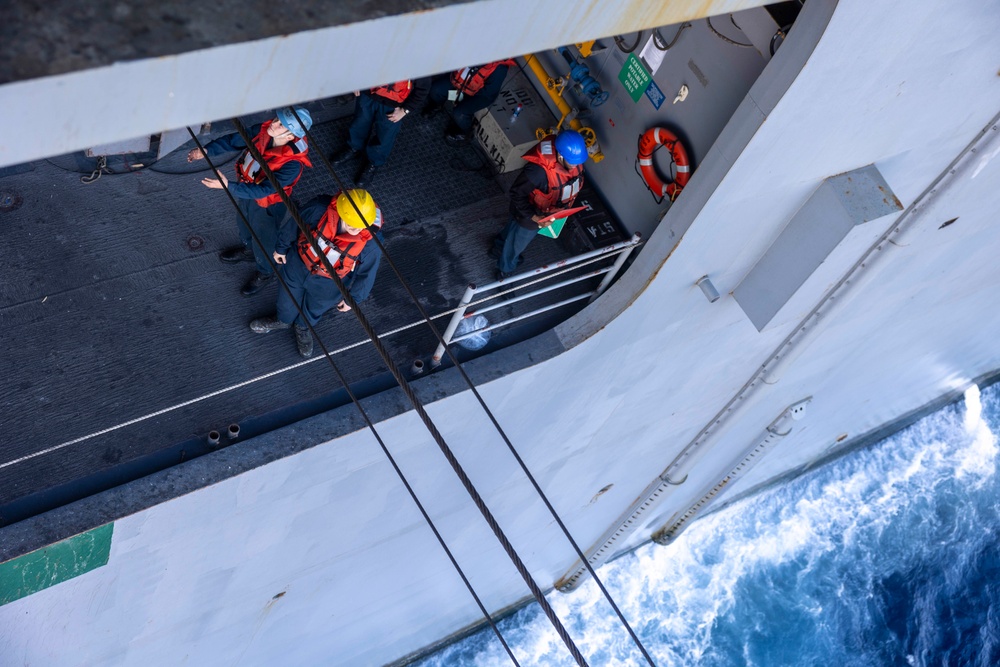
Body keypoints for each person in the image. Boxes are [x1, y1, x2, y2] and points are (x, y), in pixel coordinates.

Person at [188, 107, 313, 296]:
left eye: (281, 125)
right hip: (246, 191)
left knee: (264, 238)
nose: (274, 124)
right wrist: (207, 150)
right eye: (277, 119)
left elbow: (264, 190)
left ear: (290, 137)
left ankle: (265, 271)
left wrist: (228, 186)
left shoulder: (292, 165)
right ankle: (248, 249)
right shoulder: (264, 131)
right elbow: (235, 141)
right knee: (244, 223)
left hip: (267, 205)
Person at [249, 190, 384, 358]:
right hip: (298, 265)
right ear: (341, 211)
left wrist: (353, 300)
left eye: (360, 225)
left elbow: (367, 274)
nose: (356, 229)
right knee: (286, 298)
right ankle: (283, 320)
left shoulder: (371, 244)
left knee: (315, 308)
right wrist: (281, 248)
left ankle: (303, 326)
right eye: (351, 223)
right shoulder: (319, 209)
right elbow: (294, 225)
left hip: (330, 284)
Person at [491, 129, 587, 281]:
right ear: (560, 156)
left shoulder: (574, 162)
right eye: (572, 162)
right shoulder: (538, 171)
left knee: (511, 230)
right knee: (516, 246)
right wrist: (534, 217)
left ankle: (497, 247)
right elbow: (516, 193)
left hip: (543, 213)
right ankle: (504, 271)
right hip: (530, 217)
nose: (575, 166)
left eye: (578, 162)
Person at [329, 78, 430, 188]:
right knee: (359, 123)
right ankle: (354, 147)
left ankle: (373, 162)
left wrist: (405, 110)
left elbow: (423, 88)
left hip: (393, 106)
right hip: (368, 94)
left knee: (385, 137)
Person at [423, 60, 515, 144]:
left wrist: (465, 94)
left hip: (480, 94)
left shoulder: (500, 68)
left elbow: (489, 92)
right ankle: (437, 105)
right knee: (436, 90)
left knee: (460, 112)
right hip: (460, 81)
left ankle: (465, 132)